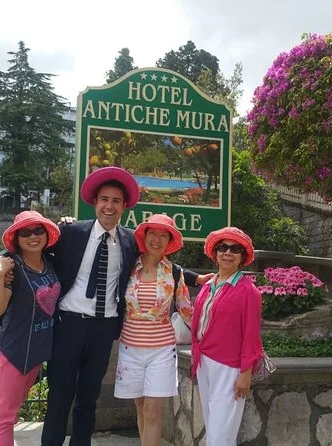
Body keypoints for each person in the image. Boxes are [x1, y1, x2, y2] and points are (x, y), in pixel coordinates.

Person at [41, 166, 209, 446]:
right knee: (59, 396)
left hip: (104, 328)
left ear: (124, 207)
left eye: (116, 201)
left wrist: (197, 278)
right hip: (68, 323)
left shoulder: (130, 241)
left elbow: (162, 262)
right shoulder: (70, 232)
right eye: (104, 199)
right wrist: (3, 259)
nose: (109, 206)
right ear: (95, 202)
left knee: (89, 398)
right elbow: (32, 245)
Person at [0, 210, 61, 446]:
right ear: (17, 239)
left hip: (36, 350)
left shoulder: (50, 262)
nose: (33, 236)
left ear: (46, 234)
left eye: (38, 230)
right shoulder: (12, 269)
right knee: (6, 417)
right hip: (13, 351)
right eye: (25, 233)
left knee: (4, 409)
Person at [114, 214, 193, 446]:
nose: (157, 239)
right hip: (130, 349)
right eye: (153, 233)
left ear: (169, 241)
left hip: (161, 350)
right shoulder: (128, 267)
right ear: (144, 236)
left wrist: (213, 329)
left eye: (163, 235)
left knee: (152, 410)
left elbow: (186, 309)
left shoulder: (174, 272)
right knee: (140, 406)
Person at [190, 227, 264, 446]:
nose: (228, 253)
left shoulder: (247, 290)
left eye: (235, 249)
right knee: (212, 424)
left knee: (221, 433)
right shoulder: (208, 286)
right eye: (222, 247)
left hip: (229, 366)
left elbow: (251, 334)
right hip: (204, 362)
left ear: (242, 257)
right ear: (215, 253)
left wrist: (245, 372)